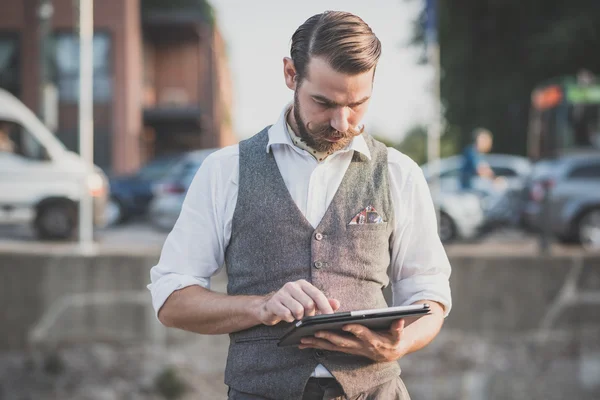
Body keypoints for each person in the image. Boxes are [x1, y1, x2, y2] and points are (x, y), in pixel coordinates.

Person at [148, 11, 451, 400]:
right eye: (323, 103)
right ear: (291, 74)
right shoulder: (225, 171)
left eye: (358, 104)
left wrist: (400, 345)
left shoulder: (399, 173)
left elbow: (430, 293)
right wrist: (260, 307)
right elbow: (172, 301)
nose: (342, 122)